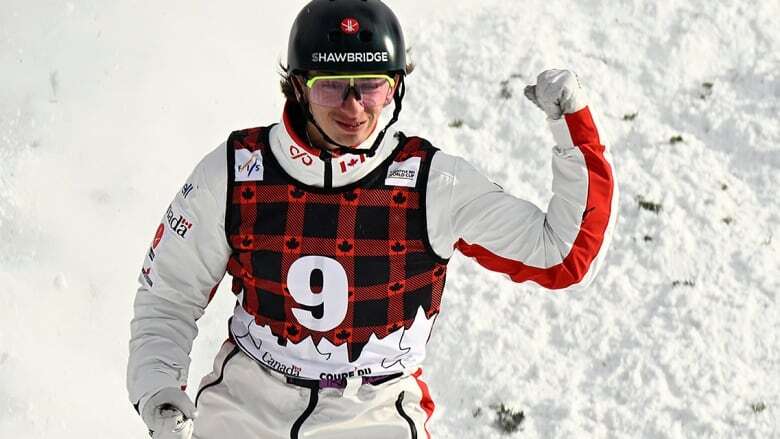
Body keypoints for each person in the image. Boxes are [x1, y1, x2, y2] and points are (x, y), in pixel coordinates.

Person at [126, 0, 618, 438]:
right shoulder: (236, 171)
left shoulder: (431, 183)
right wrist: (158, 388)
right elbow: (168, 294)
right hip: (246, 405)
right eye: (332, 88)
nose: (354, 107)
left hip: (375, 413)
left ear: (395, 87)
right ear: (298, 87)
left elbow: (564, 254)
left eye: (371, 87)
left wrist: (572, 129)